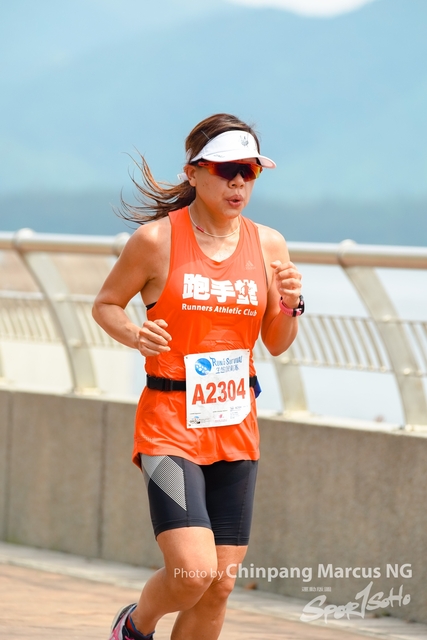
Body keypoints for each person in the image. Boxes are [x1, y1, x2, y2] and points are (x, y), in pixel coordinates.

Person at [92, 113, 303, 640]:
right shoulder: (156, 241)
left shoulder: (269, 245)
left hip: (235, 425)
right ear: (193, 173)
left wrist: (291, 305)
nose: (239, 183)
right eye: (227, 170)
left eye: (250, 171)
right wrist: (136, 334)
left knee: (219, 586)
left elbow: (276, 341)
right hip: (169, 424)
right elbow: (106, 304)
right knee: (192, 572)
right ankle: (134, 626)